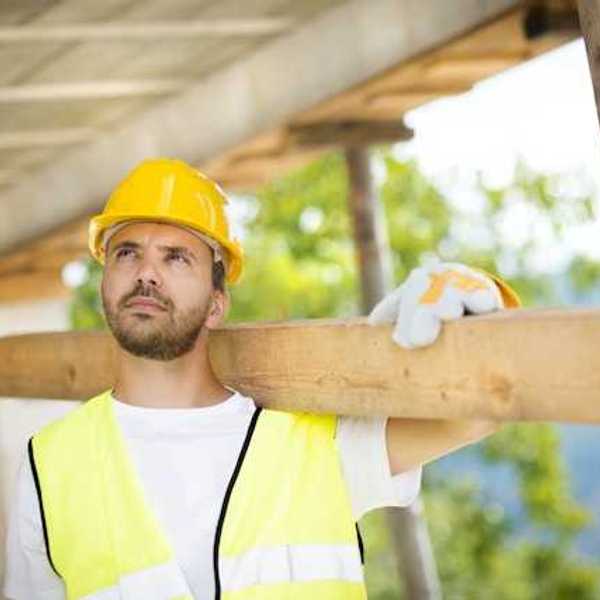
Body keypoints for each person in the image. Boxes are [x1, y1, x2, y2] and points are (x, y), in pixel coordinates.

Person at [2, 158, 520, 600]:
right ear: (105, 282)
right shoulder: (48, 466)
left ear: (216, 304)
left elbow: (478, 413)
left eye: (176, 256)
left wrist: (483, 306)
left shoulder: (316, 445)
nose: (146, 273)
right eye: (127, 252)